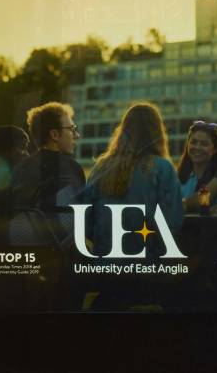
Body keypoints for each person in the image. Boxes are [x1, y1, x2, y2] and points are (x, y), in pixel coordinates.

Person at [74, 102, 184, 309]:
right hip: (147, 269)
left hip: (105, 267)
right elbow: (172, 226)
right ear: (157, 132)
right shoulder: (163, 168)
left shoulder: (101, 167)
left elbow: (85, 223)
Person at [8, 102, 88, 243]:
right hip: (60, 252)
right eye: (72, 129)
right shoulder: (71, 168)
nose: (77, 135)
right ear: (55, 134)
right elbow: (82, 221)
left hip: (27, 251)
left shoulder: (19, 169)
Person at [178, 120, 217, 214]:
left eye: (204, 144)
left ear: (215, 149)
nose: (197, 147)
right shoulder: (176, 178)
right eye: (193, 142)